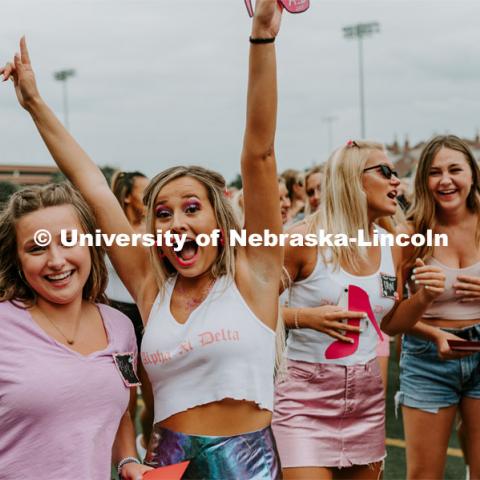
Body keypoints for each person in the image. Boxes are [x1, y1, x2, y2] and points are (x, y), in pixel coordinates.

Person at [2, 1, 285, 477]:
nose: (176, 223)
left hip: (246, 464)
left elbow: (259, 154)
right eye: (163, 213)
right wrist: (34, 103)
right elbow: (92, 183)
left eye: (192, 208)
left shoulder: (254, 276)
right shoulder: (152, 291)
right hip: (166, 463)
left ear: (220, 222)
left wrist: (262, 39)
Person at [272, 140, 409, 479]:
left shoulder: (392, 245)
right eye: (385, 172)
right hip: (305, 396)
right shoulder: (303, 240)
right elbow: (245, 307)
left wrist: (426, 299)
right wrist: (304, 318)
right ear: (352, 179)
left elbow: (390, 324)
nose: (397, 181)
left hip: (366, 396)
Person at [0, 183, 150, 480]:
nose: (56, 261)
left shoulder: (120, 327)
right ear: (17, 259)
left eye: (69, 241)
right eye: (36, 248)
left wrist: (128, 461)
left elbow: (119, 415)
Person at [384, 135, 480, 479]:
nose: (446, 180)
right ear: (424, 180)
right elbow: (389, 321)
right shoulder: (410, 234)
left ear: (472, 174)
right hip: (428, 358)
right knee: (424, 475)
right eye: (435, 172)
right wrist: (425, 306)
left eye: (455, 169)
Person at [107, 170, 154, 459]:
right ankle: (127, 464)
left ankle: (150, 451)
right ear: (127, 197)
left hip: (148, 319)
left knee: (155, 400)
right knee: (127, 398)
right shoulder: (110, 233)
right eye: (144, 192)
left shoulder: (155, 231)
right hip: (119, 318)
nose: (150, 198)